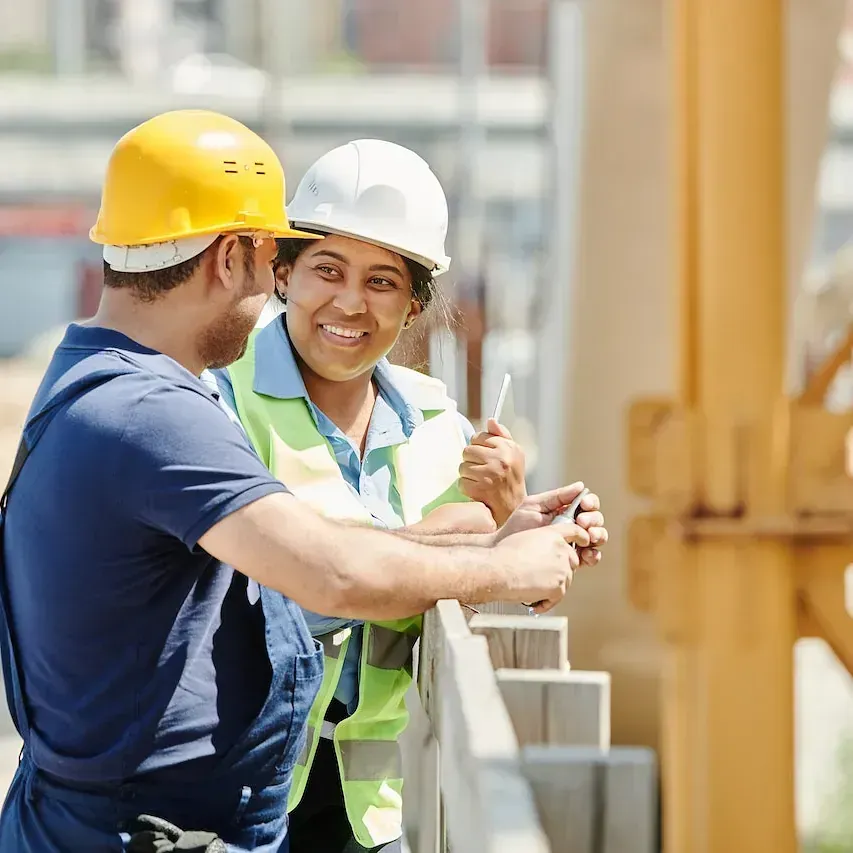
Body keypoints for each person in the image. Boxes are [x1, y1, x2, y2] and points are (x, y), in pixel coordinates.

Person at [0, 111, 599, 853]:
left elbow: (294, 556)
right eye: (274, 260)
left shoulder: (105, 382)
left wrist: (483, 532)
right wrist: (503, 565)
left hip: (146, 822)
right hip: (138, 830)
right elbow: (329, 572)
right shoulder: (156, 413)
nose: (272, 293)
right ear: (232, 257)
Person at [208, 139, 607, 853]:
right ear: (283, 274)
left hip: (375, 809)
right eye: (327, 269)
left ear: (414, 302)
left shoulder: (438, 422)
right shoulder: (222, 399)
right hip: (235, 791)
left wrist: (517, 529)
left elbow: (465, 590)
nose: (351, 302)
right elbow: (280, 583)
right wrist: (465, 536)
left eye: (383, 281)